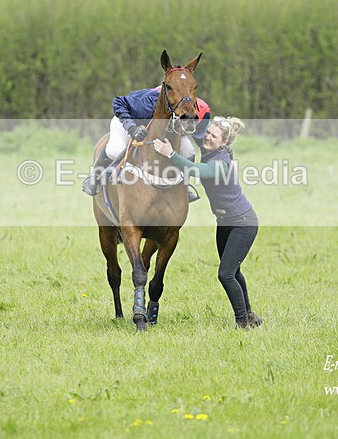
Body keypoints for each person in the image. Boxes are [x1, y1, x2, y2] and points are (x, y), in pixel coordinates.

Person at [153, 116, 263, 329]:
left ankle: (242, 322)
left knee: (226, 274)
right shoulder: (210, 150)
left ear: (224, 142)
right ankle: (249, 314)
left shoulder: (221, 161)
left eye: (214, 136)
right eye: (208, 133)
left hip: (243, 223)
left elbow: (198, 171)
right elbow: (196, 127)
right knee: (234, 271)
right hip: (225, 222)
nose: (208, 137)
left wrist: (171, 155)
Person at [82, 86, 210, 196]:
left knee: (189, 151)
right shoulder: (149, 103)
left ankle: (183, 186)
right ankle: (95, 177)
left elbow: (200, 140)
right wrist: (132, 128)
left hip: (171, 125)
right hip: (128, 118)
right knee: (116, 149)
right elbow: (118, 102)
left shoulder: (203, 113)